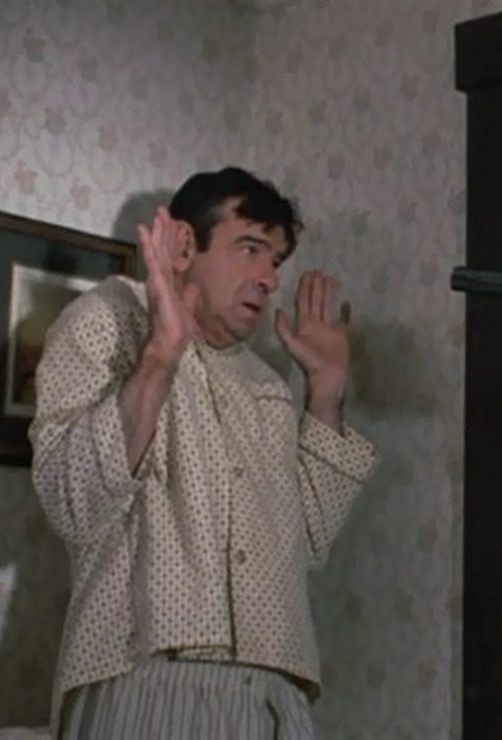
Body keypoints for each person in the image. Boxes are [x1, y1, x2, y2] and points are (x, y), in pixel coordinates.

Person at [29, 166, 378, 739]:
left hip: (275, 693)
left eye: (276, 261)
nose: (269, 278)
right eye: (251, 249)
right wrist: (163, 353)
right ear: (186, 245)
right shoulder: (107, 322)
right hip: (145, 679)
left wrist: (326, 391)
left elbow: (308, 542)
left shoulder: (265, 384)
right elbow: (73, 502)